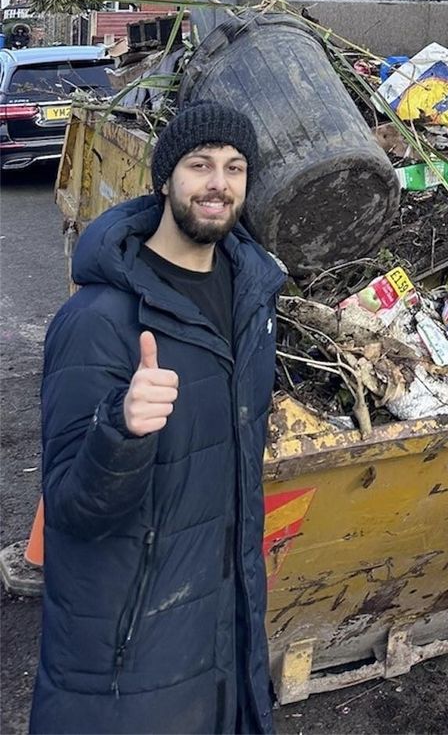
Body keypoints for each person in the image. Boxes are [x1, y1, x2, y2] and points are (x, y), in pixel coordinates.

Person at [32, 102, 285, 733]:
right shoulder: (99, 321)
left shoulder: (251, 299)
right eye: (199, 165)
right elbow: (69, 509)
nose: (217, 184)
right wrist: (120, 431)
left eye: (234, 168)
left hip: (222, 639)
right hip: (127, 670)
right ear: (165, 178)